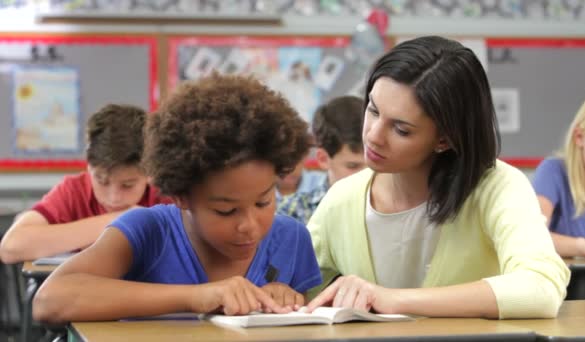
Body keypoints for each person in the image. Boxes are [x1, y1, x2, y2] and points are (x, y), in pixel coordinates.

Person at [305, 36, 570, 319]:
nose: (372, 135)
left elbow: (541, 288)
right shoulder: (342, 199)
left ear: (444, 139)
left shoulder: (497, 187)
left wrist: (392, 299)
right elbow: (291, 292)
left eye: (401, 129)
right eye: (373, 110)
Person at [32, 73, 322, 323]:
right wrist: (196, 297)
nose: (250, 226)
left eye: (263, 202)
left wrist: (288, 302)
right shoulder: (147, 231)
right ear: (181, 196)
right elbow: (50, 300)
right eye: (225, 210)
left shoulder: (291, 239)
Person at [0, 104, 171, 264]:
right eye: (101, 181)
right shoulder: (74, 190)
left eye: (127, 185)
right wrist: (120, 220)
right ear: (89, 166)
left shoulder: (167, 193)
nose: (114, 198)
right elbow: (11, 247)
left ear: (149, 173)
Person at [532, 89, 585, 259]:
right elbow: (530, 235)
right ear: (579, 137)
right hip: (570, 284)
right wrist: (583, 247)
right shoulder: (554, 172)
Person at [278, 95, 366, 223]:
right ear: (323, 159)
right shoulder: (291, 214)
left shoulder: (396, 205)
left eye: (373, 164)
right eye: (353, 166)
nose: (367, 175)